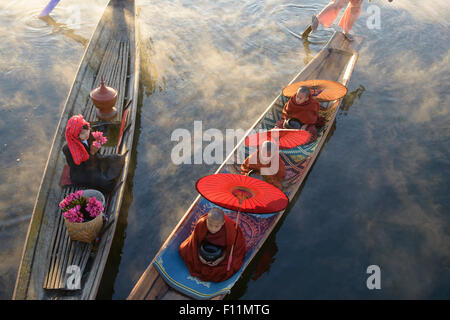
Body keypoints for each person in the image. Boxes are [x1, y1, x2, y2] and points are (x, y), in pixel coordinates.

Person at [179, 208, 246, 282]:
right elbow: (195, 241)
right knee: (184, 249)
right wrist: (199, 255)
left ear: (223, 223)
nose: (213, 229)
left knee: (231, 267)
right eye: (210, 225)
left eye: (217, 226)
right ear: (206, 220)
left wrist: (221, 258)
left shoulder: (230, 230)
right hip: (203, 247)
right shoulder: (201, 223)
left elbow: (231, 249)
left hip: (221, 251)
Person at [62, 114, 125, 193]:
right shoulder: (69, 150)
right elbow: (82, 168)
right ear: (76, 135)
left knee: (117, 158)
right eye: (82, 134)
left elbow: (97, 155)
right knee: (107, 184)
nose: (86, 135)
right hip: (83, 172)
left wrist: (97, 147)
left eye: (87, 131)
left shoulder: (89, 133)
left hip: (95, 161)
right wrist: (92, 153)